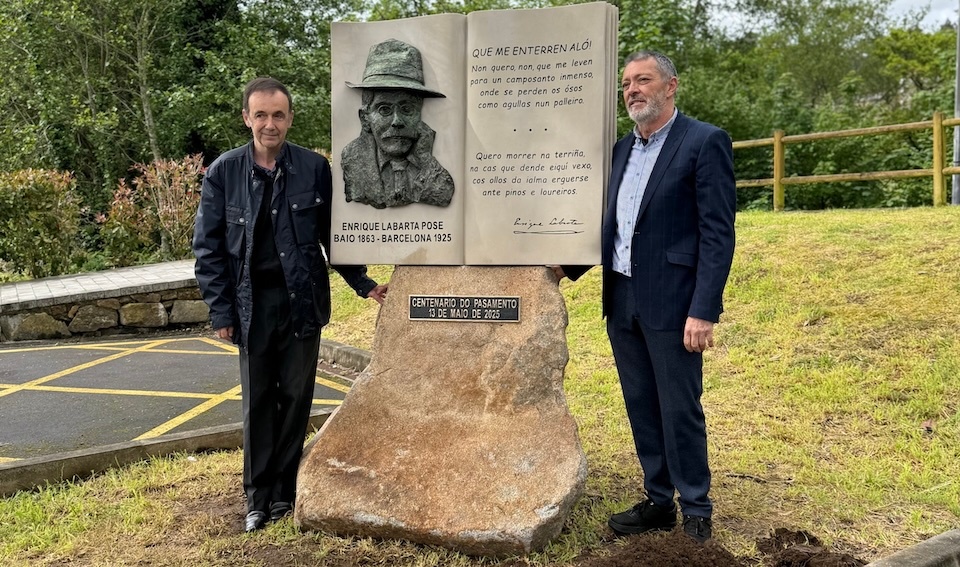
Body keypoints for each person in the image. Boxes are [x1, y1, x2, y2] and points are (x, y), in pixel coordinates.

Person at [555, 50, 736, 544]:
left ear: (671, 86)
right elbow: (609, 228)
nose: (633, 89)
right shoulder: (618, 151)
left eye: (643, 80)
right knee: (640, 402)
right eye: (627, 84)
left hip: (675, 303)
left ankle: (696, 508)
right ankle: (659, 500)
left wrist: (704, 309)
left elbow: (718, 235)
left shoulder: (703, 142)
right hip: (623, 298)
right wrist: (563, 268)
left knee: (680, 406)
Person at [193, 77, 388, 533]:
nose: (269, 123)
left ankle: (285, 490)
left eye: (278, 115)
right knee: (258, 399)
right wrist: (221, 311)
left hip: (302, 301)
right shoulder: (223, 172)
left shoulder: (314, 169)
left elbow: (333, 236)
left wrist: (362, 283)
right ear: (247, 118)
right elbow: (209, 249)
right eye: (260, 114)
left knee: (297, 397)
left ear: (290, 118)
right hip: (251, 305)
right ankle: (257, 498)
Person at [341, 38, 455, 209]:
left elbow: (443, 194)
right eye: (384, 109)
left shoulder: (424, 157)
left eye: (407, 109)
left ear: (419, 114)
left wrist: (424, 158)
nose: (397, 121)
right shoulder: (354, 159)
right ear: (365, 118)